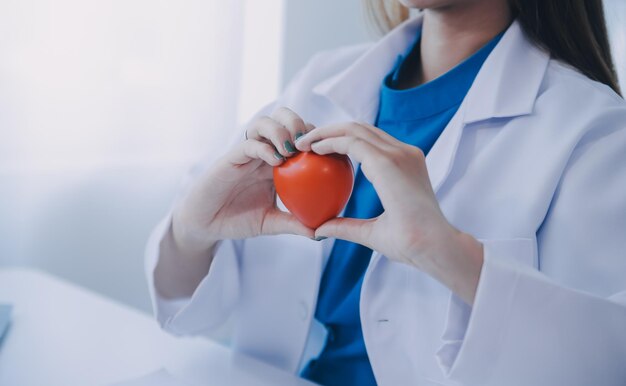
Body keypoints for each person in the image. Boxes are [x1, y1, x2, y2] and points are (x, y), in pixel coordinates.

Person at [145, 0, 626, 385]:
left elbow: (603, 362)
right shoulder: (318, 81)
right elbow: (190, 308)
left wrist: (448, 254)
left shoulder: (592, 130)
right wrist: (191, 230)